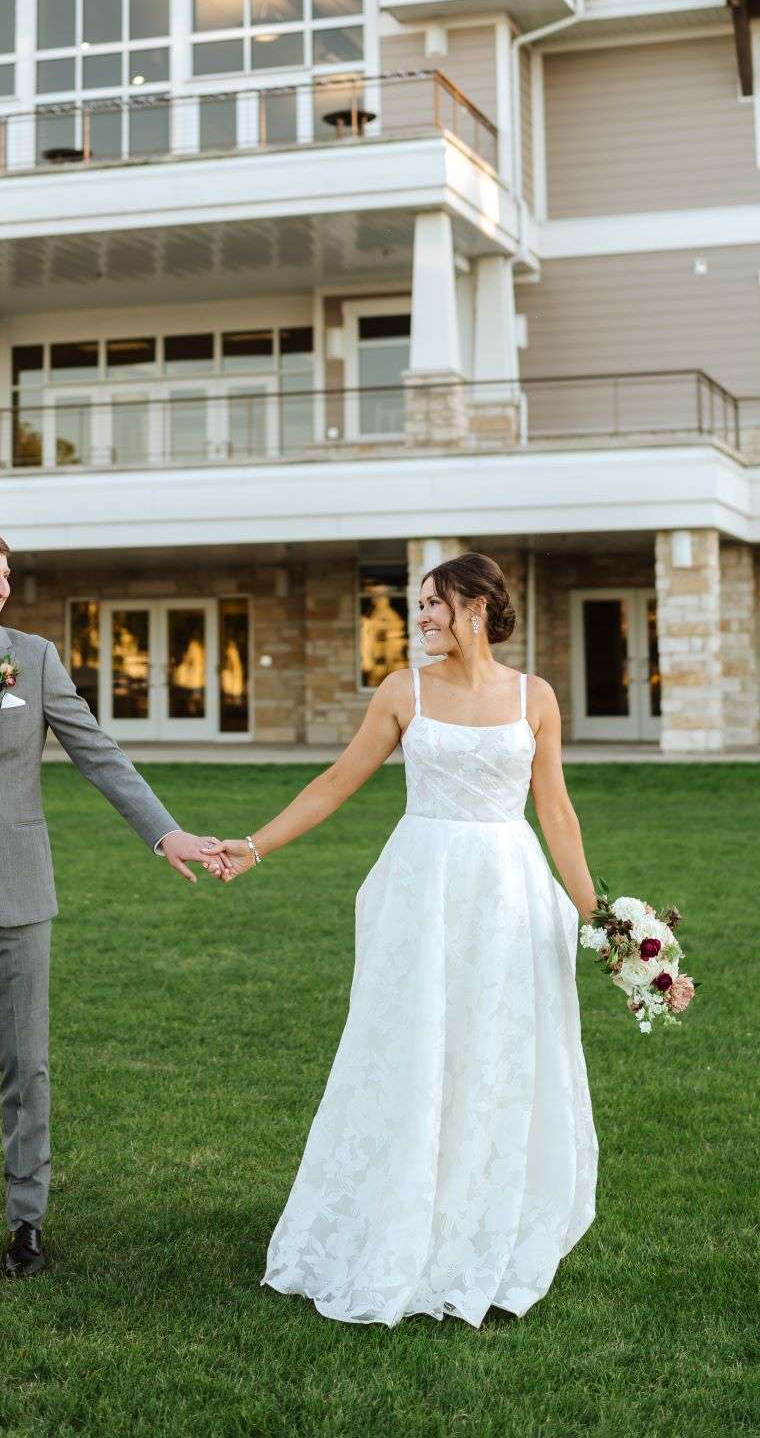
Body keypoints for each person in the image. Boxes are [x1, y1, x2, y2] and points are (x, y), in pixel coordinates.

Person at [215, 551, 598, 1327]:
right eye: (418, 605)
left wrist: (599, 916)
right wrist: (253, 846)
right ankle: (397, 1214)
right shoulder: (402, 690)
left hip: (507, 889)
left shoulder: (535, 696)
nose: (419, 617)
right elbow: (335, 782)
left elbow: (554, 811)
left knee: (494, 1048)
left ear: (479, 607)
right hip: (422, 888)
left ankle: (477, 1212)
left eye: (433, 604)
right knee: (414, 1043)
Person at [0, 525, 230, 1281]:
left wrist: (166, 834)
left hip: (15, 894)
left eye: (6, 577)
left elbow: (97, 753)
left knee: (24, 1065)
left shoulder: (32, 659)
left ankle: (26, 1224)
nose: (1, 588)